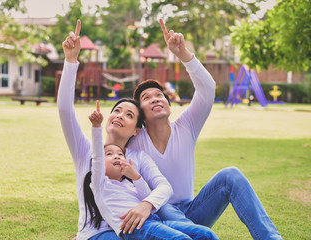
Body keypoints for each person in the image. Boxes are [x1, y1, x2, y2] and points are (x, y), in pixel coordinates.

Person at [128, 19, 283, 239]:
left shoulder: (186, 126)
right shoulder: (135, 142)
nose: (155, 98)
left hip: (191, 213)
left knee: (231, 175)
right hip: (157, 216)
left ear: (169, 104)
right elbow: (103, 173)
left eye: (159, 95)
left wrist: (183, 54)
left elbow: (207, 89)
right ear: (140, 113)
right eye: (146, 98)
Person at [58, 19, 213, 239]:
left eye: (129, 115)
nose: (120, 115)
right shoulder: (86, 152)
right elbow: (65, 110)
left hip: (139, 229)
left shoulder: (137, 157)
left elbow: (163, 188)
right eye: (117, 111)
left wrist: (147, 204)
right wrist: (71, 61)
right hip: (101, 233)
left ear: (135, 131)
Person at [86, 104, 219, 239]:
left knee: (205, 233)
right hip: (136, 228)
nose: (116, 156)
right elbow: (97, 155)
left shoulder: (128, 184)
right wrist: (96, 127)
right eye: (109, 154)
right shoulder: (99, 184)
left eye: (120, 155)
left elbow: (146, 195)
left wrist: (136, 177)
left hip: (155, 221)